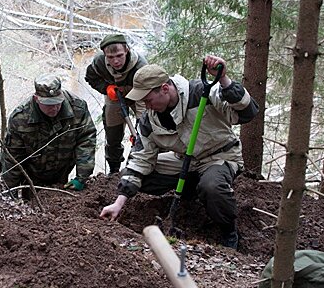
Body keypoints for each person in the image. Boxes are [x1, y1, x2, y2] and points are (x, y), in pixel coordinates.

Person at [99, 56, 259, 249]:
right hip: (184, 161)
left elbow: (247, 111)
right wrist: (118, 203)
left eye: (148, 99)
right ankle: (192, 190)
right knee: (133, 176)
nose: (146, 106)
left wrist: (223, 79)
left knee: (212, 187)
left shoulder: (202, 92)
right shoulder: (150, 120)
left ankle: (228, 231)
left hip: (219, 156)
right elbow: (140, 160)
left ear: (165, 89)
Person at [0, 73, 97, 198]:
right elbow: (12, 158)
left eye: (58, 102)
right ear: (36, 99)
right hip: (32, 176)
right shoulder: (21, 118)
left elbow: (86, 140)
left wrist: (82, 177)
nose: (55, 108)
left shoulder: (77, 107)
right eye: (49, 104)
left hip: (63, 171)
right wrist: (9, 193)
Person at [85, 33, 148, 175]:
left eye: (119, 55)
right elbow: (90, 78)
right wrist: (105, 88)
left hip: (140, 94)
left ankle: (136, 167)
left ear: (127, 50)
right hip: (115, 95)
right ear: (105, 55)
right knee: (112, 133)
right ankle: (114, 170)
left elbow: (146, 92)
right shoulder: (99, 62)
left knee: (144, 130)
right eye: (111, 57)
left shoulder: (141, 66)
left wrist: (140, 127)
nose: (116, 61)